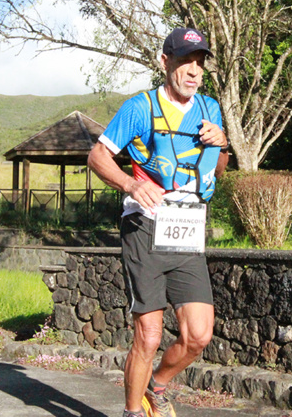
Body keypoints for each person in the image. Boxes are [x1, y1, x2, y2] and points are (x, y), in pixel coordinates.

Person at [87, 27, 229, 417]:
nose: (194, 71)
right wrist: (131, 185)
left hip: (187, 229)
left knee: (199, 335)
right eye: (185, 61)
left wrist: (222, 144)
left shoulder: (210, 108)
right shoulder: (139, 107)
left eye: (199, 63)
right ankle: (133, 414)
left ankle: (157, 387)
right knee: (148, 336)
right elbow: (98, 157)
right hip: (145, 228)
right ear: (164, 62)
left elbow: (218, 167)